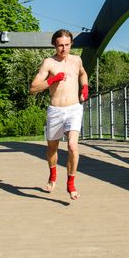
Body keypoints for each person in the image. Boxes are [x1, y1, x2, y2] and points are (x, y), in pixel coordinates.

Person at [30, 29, 89, 200]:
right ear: (54, 45)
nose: (64, 49)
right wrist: (52, 80)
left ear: (71, 44)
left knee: (72, 146)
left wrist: (84, 87)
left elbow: (83, 73)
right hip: (55, 110)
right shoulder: (49, 63)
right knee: (51, 149)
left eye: (67, 45)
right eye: (60, 45)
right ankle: (53, 175)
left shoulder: (77, 60)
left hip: (74, 109)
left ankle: (70, 184)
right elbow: (33, 88)